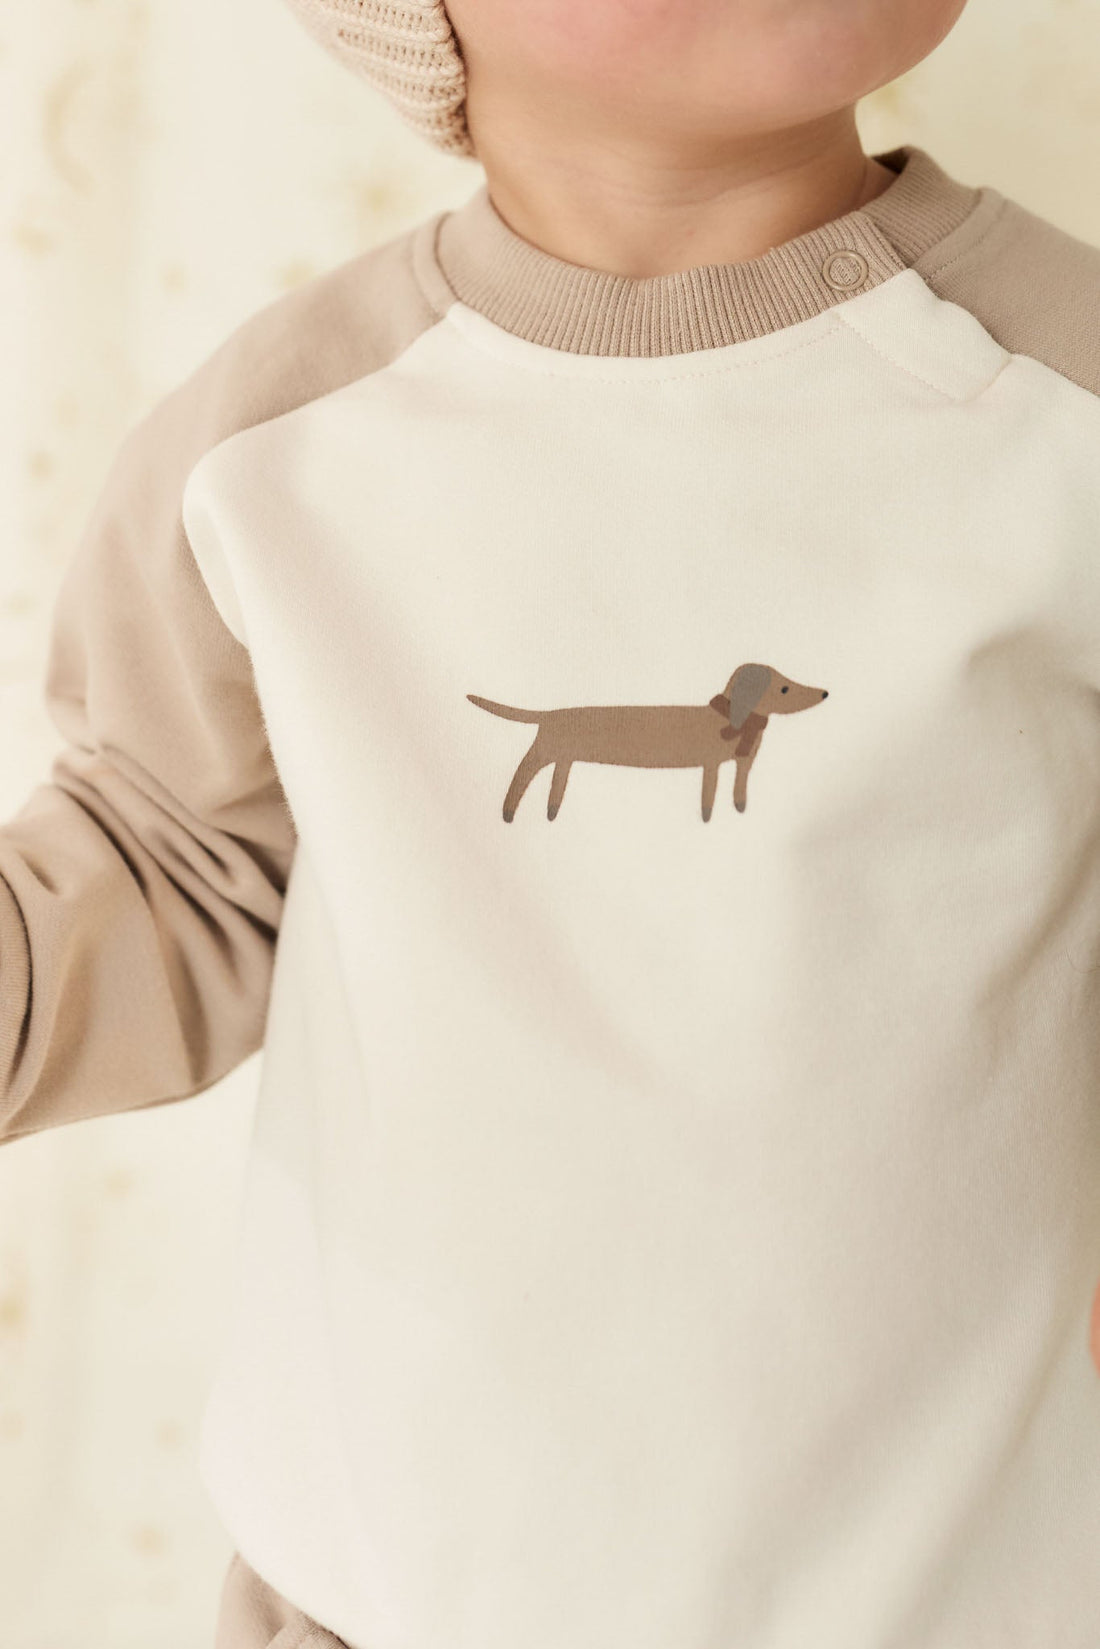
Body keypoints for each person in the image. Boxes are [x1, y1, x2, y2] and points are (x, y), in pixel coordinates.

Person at [3, 1, 1100, 1645]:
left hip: (967, 1583)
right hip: (389, 1581)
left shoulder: (1064, 404)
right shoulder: (277, 454)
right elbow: (169, 864)